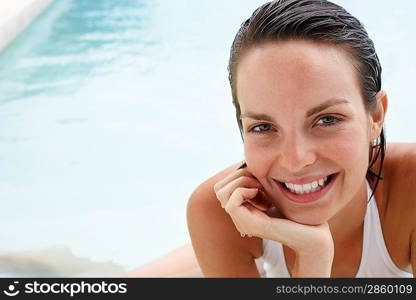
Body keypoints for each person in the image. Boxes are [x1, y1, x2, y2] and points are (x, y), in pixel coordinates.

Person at [126, 0, 415, 277]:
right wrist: (314, 255)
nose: (296, 159)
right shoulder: (219, 210)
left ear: (375, 116)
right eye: (263, 127)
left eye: (327, 119)